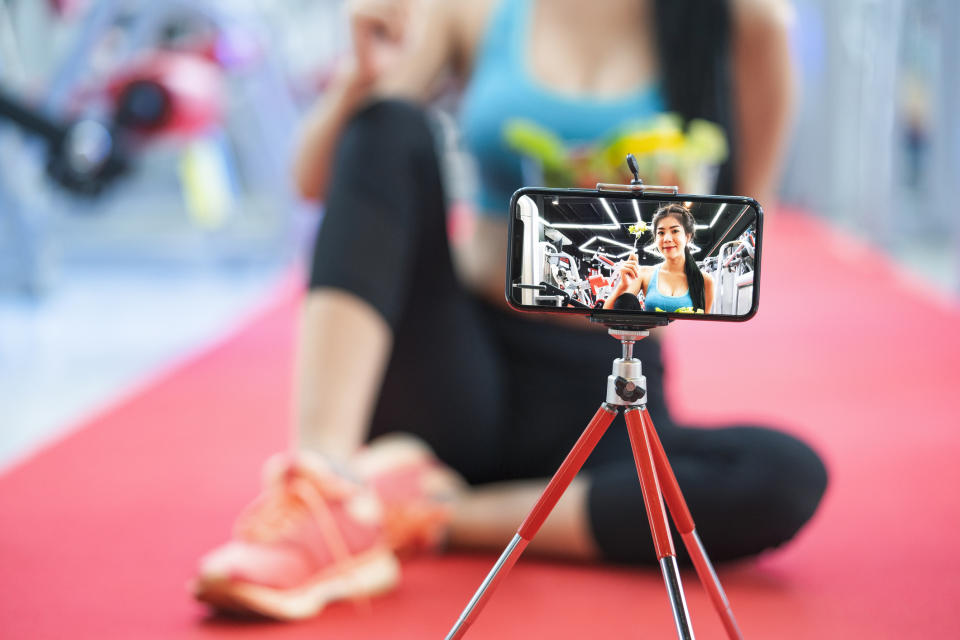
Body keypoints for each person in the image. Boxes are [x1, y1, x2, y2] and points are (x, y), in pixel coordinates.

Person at [192, 0, 827, 621]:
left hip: (605, 380)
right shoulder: (472, 9)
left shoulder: (740, 20)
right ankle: (325, 485)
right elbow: (316, 178)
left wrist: (655, 227)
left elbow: (738, 243)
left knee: (784, 476)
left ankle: (429, 512)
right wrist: (360, 78)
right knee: (388, 121)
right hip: (456, 367)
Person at [604, 204, 715, 313]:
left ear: (687, 236)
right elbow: (606, 315)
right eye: (661, 233)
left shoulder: (705, 280)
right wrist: (623, 286)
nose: (666, 238)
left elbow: (704, 325)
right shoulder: (644, 274)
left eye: (675, 231)